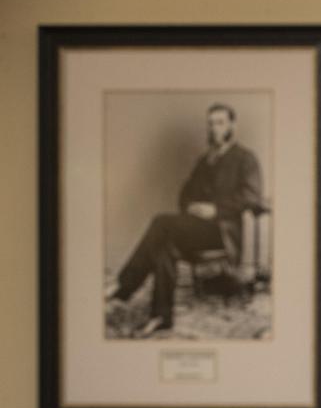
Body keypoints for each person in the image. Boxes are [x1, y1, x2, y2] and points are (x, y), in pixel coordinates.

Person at [106, 102, 263, 337]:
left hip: (223, 232)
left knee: (161, 222)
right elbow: (185, 194)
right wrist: (192, 206)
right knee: (164, 247)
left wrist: (215, 209)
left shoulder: (246, 158)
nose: (215, 128)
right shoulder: (205, 160)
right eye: (211, 123)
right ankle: (161, 317)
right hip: (196, 229)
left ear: (232, 125)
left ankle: (124, 286)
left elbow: (252, 197)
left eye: (220, 122)